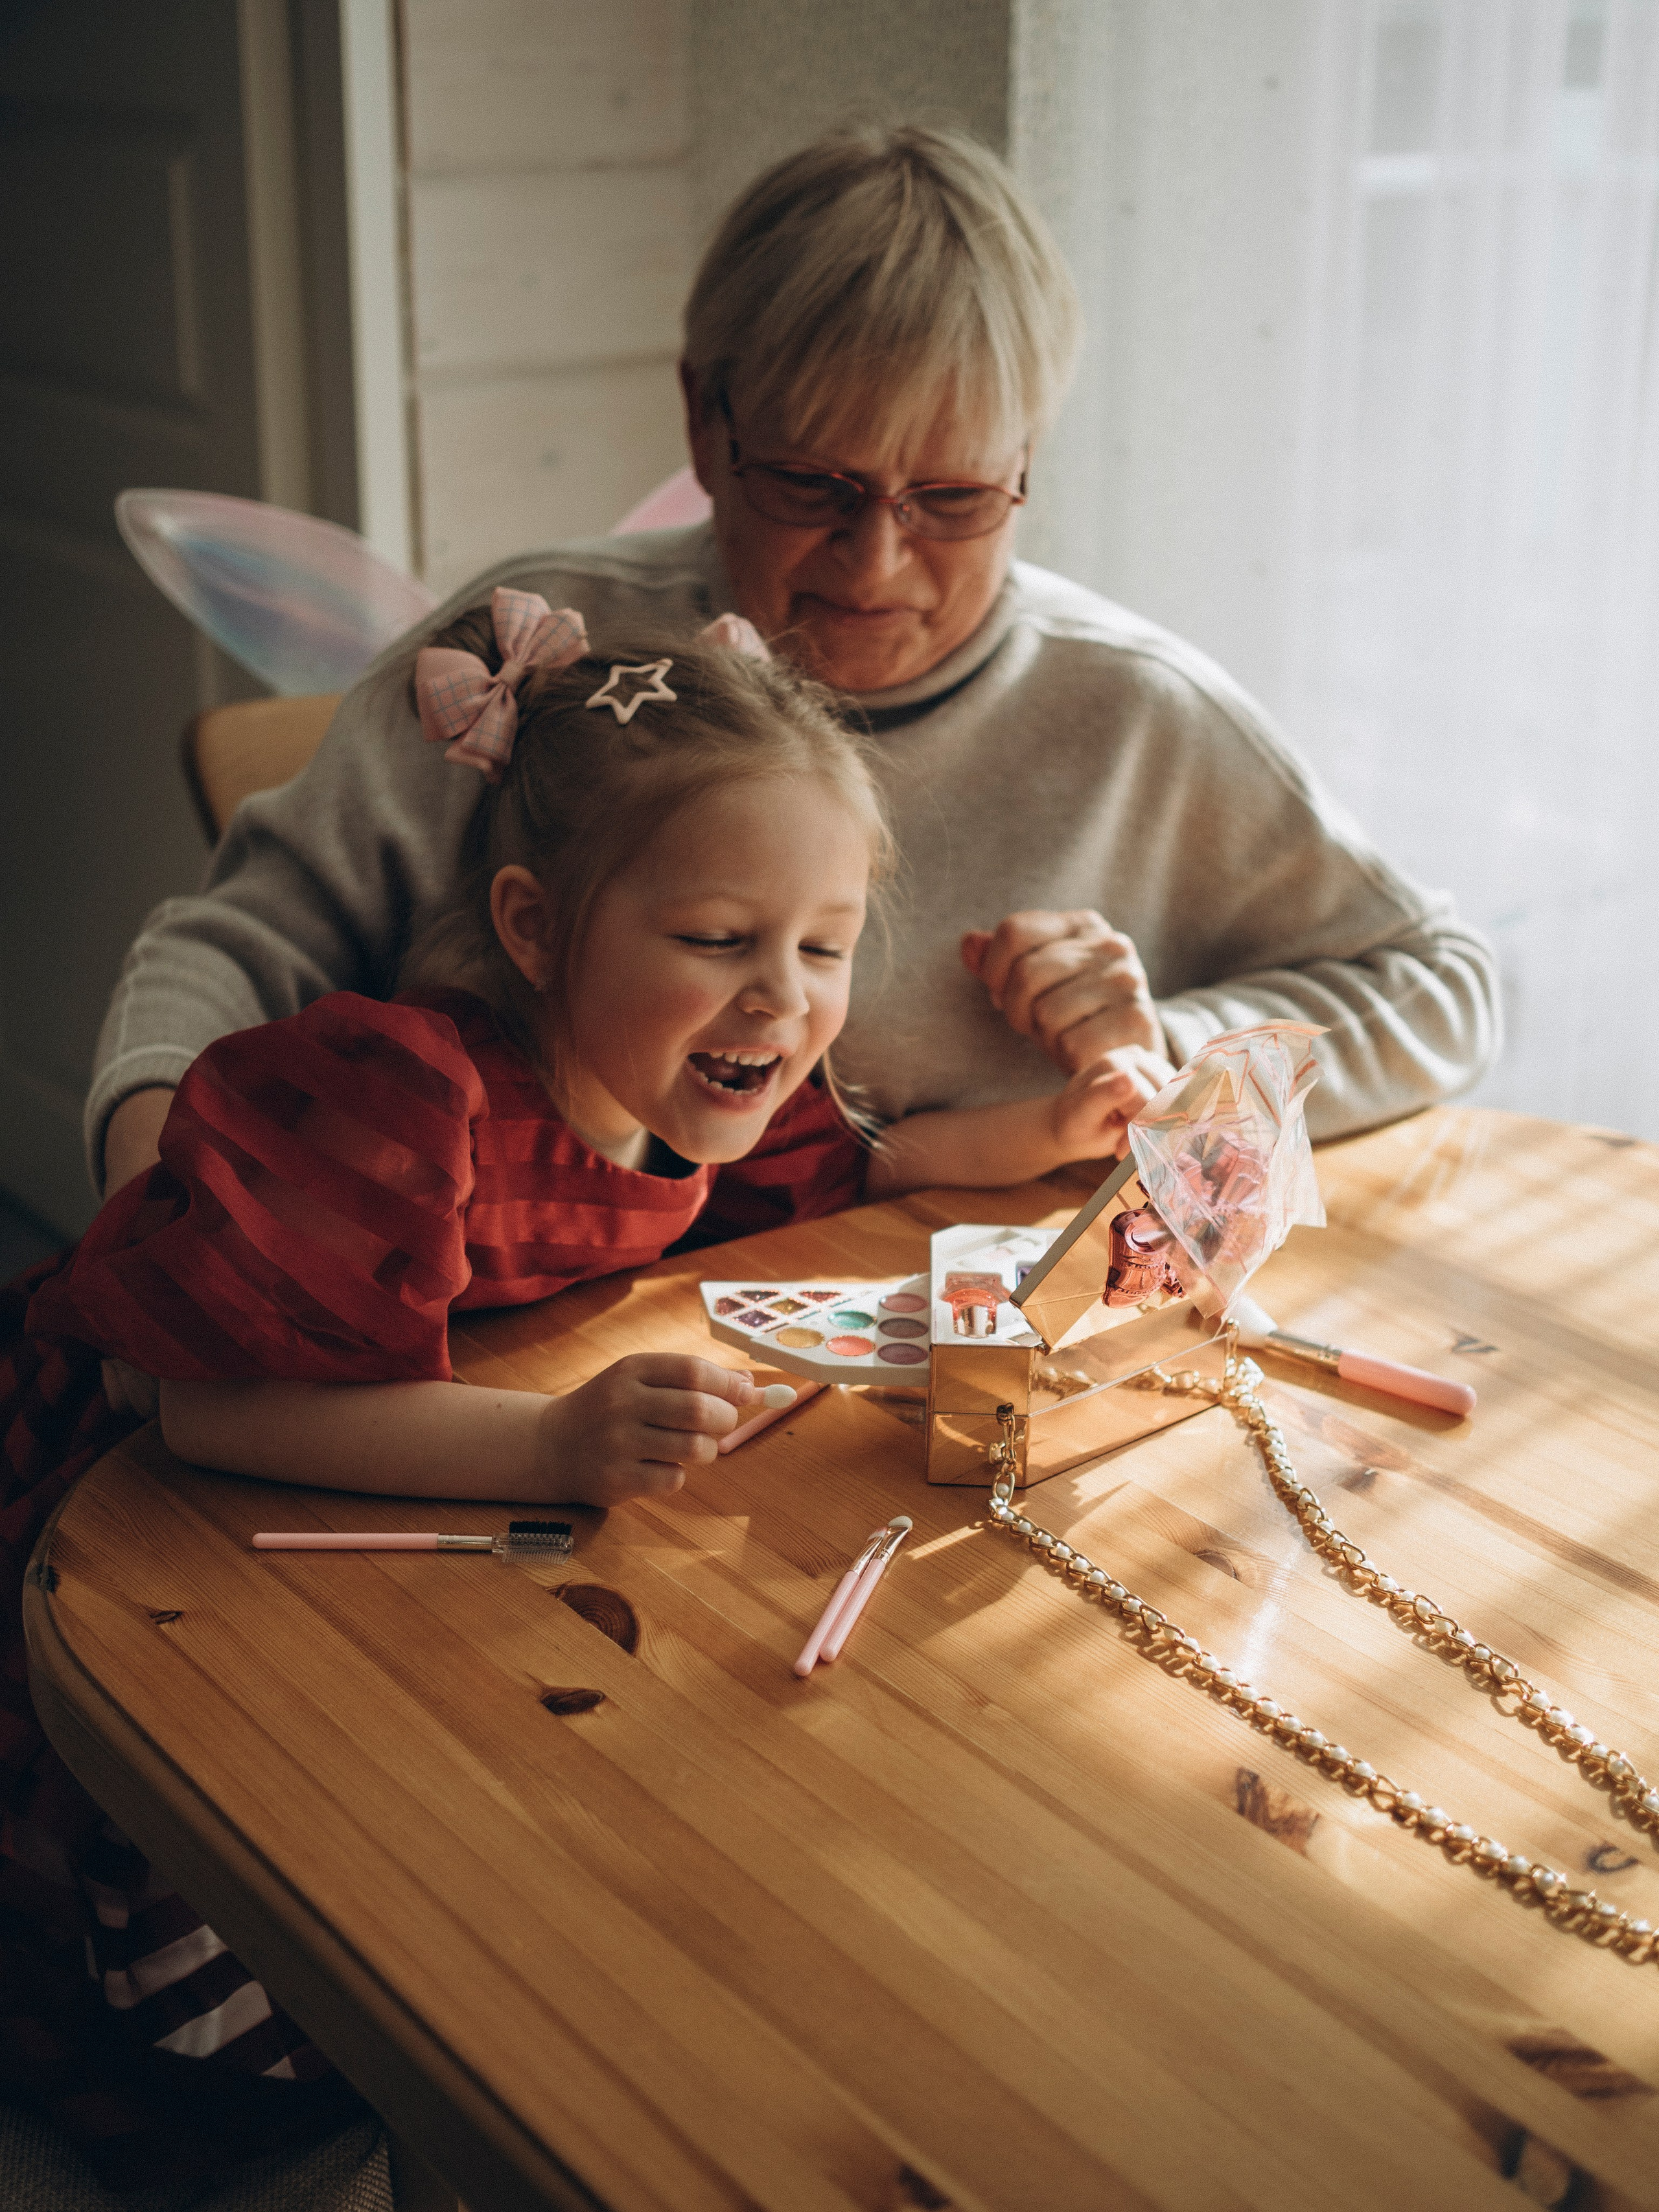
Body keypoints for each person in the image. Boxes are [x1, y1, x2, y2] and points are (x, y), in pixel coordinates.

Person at [0, 603, 1161, 2185]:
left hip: (386, 1556)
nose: (780, 1001)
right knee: (230, 1966)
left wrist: (1042, 1134)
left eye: (820, 949)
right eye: (714, 942)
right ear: (536, 930)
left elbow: (860, 1163)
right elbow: (206, 1411)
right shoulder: (405, 1096)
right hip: (122, 1519)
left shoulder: (687, 1105)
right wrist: (548, 1438)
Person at [88, 121, 1498, 1225]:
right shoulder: (534, 649)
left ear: (1026, 468)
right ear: (705, 422)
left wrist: (1155, 1058)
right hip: (517, 1348)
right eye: (815, 484)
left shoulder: (1133, 713)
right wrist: (153, 1181)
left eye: (951, 497)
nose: (876, 564)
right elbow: (237, 946)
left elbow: (1441, 987)